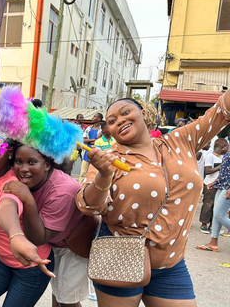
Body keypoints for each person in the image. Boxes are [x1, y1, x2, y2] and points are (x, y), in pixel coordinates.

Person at [76, 93, 230, 306]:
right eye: (112, 121)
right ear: (109, 130)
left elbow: (221, 110)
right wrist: (104, 175)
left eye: (125, 112)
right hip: (120, 258)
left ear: (143, 113)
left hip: (170, 263)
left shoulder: (181, 140)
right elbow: (88, 205)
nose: (119, 120)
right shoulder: (109, 158)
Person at [0, 130, 55, 307]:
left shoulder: (13, 183)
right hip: (1, 259)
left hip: (31, 265)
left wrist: (15, 234)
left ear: (10, 153)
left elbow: (7, 206)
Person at [3, 142, 91, 307]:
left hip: (71, 248)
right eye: (18, 161)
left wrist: (28, 200)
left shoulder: (62, 190)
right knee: (58, 294)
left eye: (31, 162)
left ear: (47, 165)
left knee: (67, 300)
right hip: (55, 243)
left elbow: (38, 238)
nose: (23, 168)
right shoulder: (31, 179)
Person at [196, 151, 230, 252]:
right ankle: (213, 242)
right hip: (222, 184)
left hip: (228, 187)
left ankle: (213, 242)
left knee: (219, 214)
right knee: (216, 214)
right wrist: (215, 181)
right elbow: (225, 169)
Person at [199, 138, 228, 233]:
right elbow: (207, 171)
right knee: (208, 204)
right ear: (223, 147)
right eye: (227, 147)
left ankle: (212, 226)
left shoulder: (221, 157)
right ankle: (204, 224)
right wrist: (221, 166)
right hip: (209, 183)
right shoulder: (210, 156)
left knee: (216, 206)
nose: (228, 149)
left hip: (218, 184)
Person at [79, 113, 103, 183]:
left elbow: (100, 141)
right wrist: (94, 140)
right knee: (83, 173)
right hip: (86, 153)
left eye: (95, 117)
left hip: (96, 155)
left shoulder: (102, 130)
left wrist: (89, 141)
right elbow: (83, 140)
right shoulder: (88, 128)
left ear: (99, 119)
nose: (92, 118)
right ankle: (80, 188)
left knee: (94, 173)